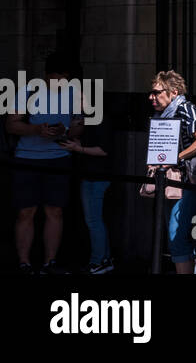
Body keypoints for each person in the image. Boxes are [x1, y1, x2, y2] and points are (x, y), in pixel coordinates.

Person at [6, 52, 83, 274]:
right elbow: (11, 124)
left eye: (66, 79)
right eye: (58, 78)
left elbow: (79, 125)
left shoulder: (74, 94)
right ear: (48, 75)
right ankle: (24, 262)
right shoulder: (28, 91)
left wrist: (65, 130)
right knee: (25, 211)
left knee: (55, 211)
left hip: (59, 157)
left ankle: (50, 262)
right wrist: (37, 130)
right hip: (27, 158)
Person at [148, 70, 196, 274]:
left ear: (173, 92)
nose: (151, 97)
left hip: (187, 182)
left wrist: (175, 158)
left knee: (177, 235)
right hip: (174, 182)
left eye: (157, 92)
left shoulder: (185, 109)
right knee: (176, 234)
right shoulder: (166, 113)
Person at [60, 93, 115, 274]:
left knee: (93, 220)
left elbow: (103, 150)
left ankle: (98, 261)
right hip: (91, 175)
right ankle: (104, 259)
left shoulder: (100, 120)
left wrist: (78, 148)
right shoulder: (88, 119)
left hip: (97, 177)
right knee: (95, 220)